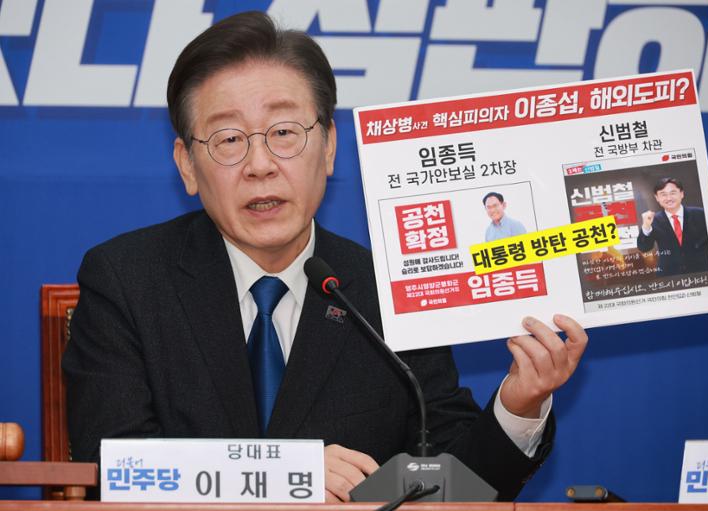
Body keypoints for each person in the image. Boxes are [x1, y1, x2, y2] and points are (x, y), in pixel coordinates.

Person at [62, 11, 588, 502]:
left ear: (330, 147)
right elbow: (112, 465)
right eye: (228, 139)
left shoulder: (385, 292)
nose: (260, 165)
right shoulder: (127, 281)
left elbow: (448, 482)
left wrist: (519, 405)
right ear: (187, 166)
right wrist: (287, 475)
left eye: (284, 133)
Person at [637, 177, 708, 276]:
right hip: (670, 276)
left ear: (681, 194)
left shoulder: (702, 214)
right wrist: (646, 226)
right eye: (663, 194)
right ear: (657, 198)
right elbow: (644, 248)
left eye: (673, 193)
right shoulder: (652, 220)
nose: (669, 198)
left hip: (703, 273)